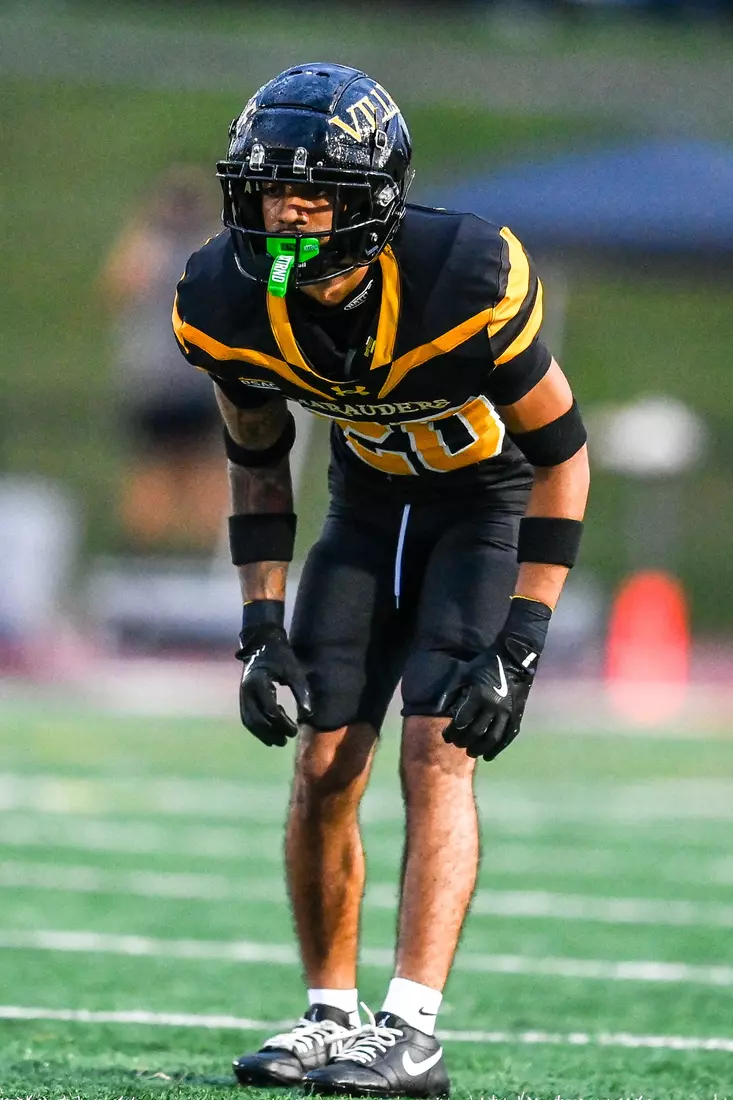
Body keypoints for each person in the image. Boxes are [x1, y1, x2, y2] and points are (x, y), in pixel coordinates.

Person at [173, 62, 590, 1098]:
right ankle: (329, 1012)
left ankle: (411, 1026)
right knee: (320, 761)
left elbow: (563, 455)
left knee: (435, 753)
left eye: (315, 194)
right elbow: (258, 456)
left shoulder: (460, 272)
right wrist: (259, 622)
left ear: (374, 200)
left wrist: (524, 638)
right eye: (272, 191)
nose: (289, 214)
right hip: (365, 515)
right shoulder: (228, 297)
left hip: (481, 512)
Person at [103, 165, 227, 552]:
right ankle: (179, 553)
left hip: (165, 377)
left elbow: (114, 291)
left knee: (169, 468)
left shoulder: (150, 247)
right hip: (181, 376)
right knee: (176, 468)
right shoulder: (210, 249)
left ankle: (163, 553)